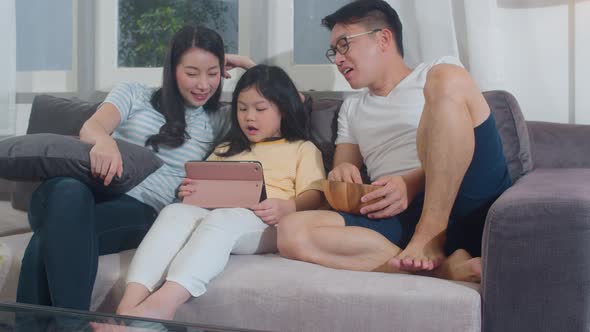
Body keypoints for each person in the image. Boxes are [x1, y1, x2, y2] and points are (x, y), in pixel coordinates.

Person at [16, 25, 256, 311]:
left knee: (48, 237)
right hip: (86, 189)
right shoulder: (134, 93)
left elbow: (288, 106)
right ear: (172, 69)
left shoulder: (218, 118)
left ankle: (51, 325)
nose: (203, 84)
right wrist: (104, 142)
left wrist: (248, 65)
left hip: (140, 209)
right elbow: (93, 126)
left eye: (213, 73)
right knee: (66, 189)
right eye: (192, 73)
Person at [277, 0, 512, 282]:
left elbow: (463, 144)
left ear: (384, 38)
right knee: (291, 232)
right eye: (334, 51)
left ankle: (430, 234)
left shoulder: (435, 74)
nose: (338, 59)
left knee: (448, 78)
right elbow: (344, 169)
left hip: (466, 194)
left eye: (344, 45)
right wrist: (343, 176)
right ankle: (442, 270)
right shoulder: (352, 108)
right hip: (400, 214)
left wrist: (410, 184)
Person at [109, 64, 325, 321]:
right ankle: (127, 308)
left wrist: (288, 207)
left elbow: (316, 195)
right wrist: (191, 190)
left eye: (260, 109)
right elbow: (203, 182)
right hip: (218, 215)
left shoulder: (302, 148)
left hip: (266, 223)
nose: (249, 117)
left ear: (284, 110)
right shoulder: (227, 148)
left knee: (223, 219)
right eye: (242, 109)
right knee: (174, 212)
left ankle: (166, 302)